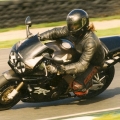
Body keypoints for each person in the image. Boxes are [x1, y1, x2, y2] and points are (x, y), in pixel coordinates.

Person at [39, 9, 105, 96]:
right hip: (78, 54)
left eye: (75, 25)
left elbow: (82, 65)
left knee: (78, 87)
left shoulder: (90, 42)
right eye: (70, 25)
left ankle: (86, 86)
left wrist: (59, 69)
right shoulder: (72, 30)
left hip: (92, 62)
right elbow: (55, 32)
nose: (71, 28)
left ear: (83, 24)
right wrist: (39, 37)